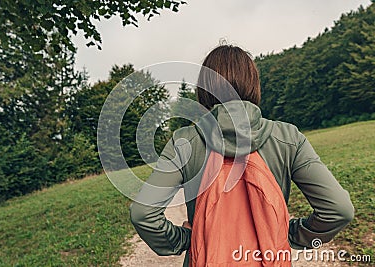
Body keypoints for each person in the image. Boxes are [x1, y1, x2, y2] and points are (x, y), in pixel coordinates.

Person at [130, 44, 354, 266]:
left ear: (204, 91)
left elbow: (143, 213)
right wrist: (290, 234)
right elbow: (338, 209)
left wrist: (185, 240)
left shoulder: (184, 142)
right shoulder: (288, 138)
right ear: (253, 85)